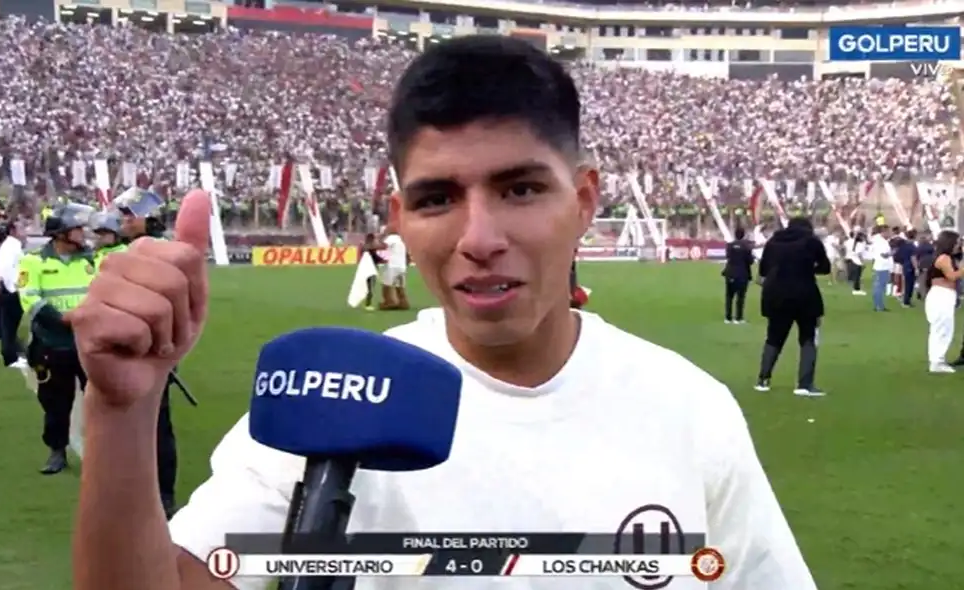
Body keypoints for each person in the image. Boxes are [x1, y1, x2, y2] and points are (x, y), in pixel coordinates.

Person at [70, 37, 816, 590]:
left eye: (521, 189)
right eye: (436, 199)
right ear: (398, 218)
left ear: (585, 199)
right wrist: (121, 412)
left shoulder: (687, 411)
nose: (479, 239)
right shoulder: (333, 401)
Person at [114, 188, 179, 518]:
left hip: (152, 351)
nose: (124, 220)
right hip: (122, 348)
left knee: (156, 425)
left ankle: (164, 494)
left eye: (130, 215)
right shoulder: (122, 249)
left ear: (148, 219)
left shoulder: (164, 253)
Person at [18, 204, 96, 474]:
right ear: (61, 233)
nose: (82, 233)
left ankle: (104, 451)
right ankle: (57, 451)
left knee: (99, 401)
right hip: (53, 344)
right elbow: (29, 298)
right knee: (56, 402)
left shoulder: (91, 259)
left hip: (90, 344)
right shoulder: (33, 261)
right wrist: (62, 320)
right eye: (76, 228)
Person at [754, 216, 830, 396]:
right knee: (808, 338)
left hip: (776, 294)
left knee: (773, 338)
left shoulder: (773, 241)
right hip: (804, 293)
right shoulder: (812, 242)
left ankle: (763, 379)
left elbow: (763, 270)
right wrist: (808, 268)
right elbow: (825, 267)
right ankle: (804, 384)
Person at [923, 230, 963, 373]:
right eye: (957, 242)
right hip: (941, 295)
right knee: (942, 329)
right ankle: (937, 361)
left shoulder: (946, 257)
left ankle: (937, 360)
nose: (959, 245)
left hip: (944, 295)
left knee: (942, 329)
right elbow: (952, 276)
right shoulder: (944, 258)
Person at [0, 220, 29, 368]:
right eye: (21, 228)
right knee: (9, 325)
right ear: (13, 231)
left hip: (9, 289)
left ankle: (11, 353)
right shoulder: (12, 246)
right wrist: (14, 288)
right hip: (11, 291)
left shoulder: (11, 245)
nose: (25, 231)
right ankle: (10, 358)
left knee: (10, 325)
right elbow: (7, 269)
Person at [722, 226, 754, 324]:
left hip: (730, 273)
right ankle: (738, 318)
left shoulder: (730, 245)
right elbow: (750, 261)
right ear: (743, 235)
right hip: (742, 274)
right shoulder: (746, 247)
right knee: (740, 297)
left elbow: (728, 257)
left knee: (729, 296)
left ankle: (728, 318)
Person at [379, 227, 410, 310]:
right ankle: (403, 303)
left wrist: (380, 238)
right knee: (400, 286)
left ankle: (389, 302)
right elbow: (407, 254)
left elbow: (382, 246)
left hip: (393, 265)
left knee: (386, 285)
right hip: (402, 266)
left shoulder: (391, 238)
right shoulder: (401, 240)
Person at [868, 225, 893, 311]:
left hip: (879, 266)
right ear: (884, 232)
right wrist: (892, 253)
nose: (889, 234)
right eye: (888, 232)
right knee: (880, 287)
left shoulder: (877, 240)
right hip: (882, 267)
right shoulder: (881, 242)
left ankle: (878, 305)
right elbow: (883, 255)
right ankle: (879, 306)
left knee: (878, 287)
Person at [360, 232, 385, 311]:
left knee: (368, 286)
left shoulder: (364, 247)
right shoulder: (371, 248)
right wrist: (383, 260)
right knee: (371, 287)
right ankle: (368, 304)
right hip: (372, 268)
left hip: (365, 268)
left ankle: (367, 303)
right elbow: (375, 257)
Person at [895, 229, 919, 307]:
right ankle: (906, 301)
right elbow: (913, 258)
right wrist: (916, 268)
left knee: (907, 284)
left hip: (905, 265)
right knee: (909, 284)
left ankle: (907, 300)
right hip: (910, 267)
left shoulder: (904, 245)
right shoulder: (912, 246)